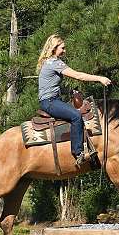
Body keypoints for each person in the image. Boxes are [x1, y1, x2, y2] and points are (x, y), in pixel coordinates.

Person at [36, 34, 111, 166]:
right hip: (50, 102)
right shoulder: (55, 63)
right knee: (76, 116)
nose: (64, 51)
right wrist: (100, 78)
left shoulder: (48, 62)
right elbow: (78, 75)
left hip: (51, 100)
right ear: (54, 48)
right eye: (62, 48)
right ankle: (78, 153)